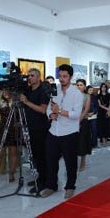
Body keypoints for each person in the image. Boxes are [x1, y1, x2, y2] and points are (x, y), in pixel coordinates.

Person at [42, 64, 84, 199]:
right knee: (51, 161)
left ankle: (70, 186)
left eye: (64, 76)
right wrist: (51, 114)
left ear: (70, 77)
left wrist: (59, 111)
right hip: (53, 131)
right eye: (60, 76)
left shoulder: (77, 94)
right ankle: (51, 186)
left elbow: (76, 114)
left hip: (69, 133)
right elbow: (49, 108)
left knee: (70, 162)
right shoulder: (55, 91)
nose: (61, 79)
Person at [20, 69, 50, 193]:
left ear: (38, 77)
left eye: (32, 75)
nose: (29, 78)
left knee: (41, 155)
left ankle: (44, 182)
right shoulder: (28, 90)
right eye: (28, 76)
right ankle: (40, 178)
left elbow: (43, 110)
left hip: (40, 128)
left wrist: (27, 102)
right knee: (35, 155)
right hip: (30, 127)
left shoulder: (43, 90)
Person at [0, 85, 21, 184]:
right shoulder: (1, 102)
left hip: (14, 130)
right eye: (3, 91)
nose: (5, 92)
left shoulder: (17, 102)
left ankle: (11, 174)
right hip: (2, 129)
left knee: (13, 153)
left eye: (7, 90)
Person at [77, 79, 93, 171]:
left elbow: (86, 110)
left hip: (83, 121)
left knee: (83, 142)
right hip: (72, 121)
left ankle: (83, 162)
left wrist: (78, 121)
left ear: (84, 87)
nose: (79, 87)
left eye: (81, 85)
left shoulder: (87, 96)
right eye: (78, 85)